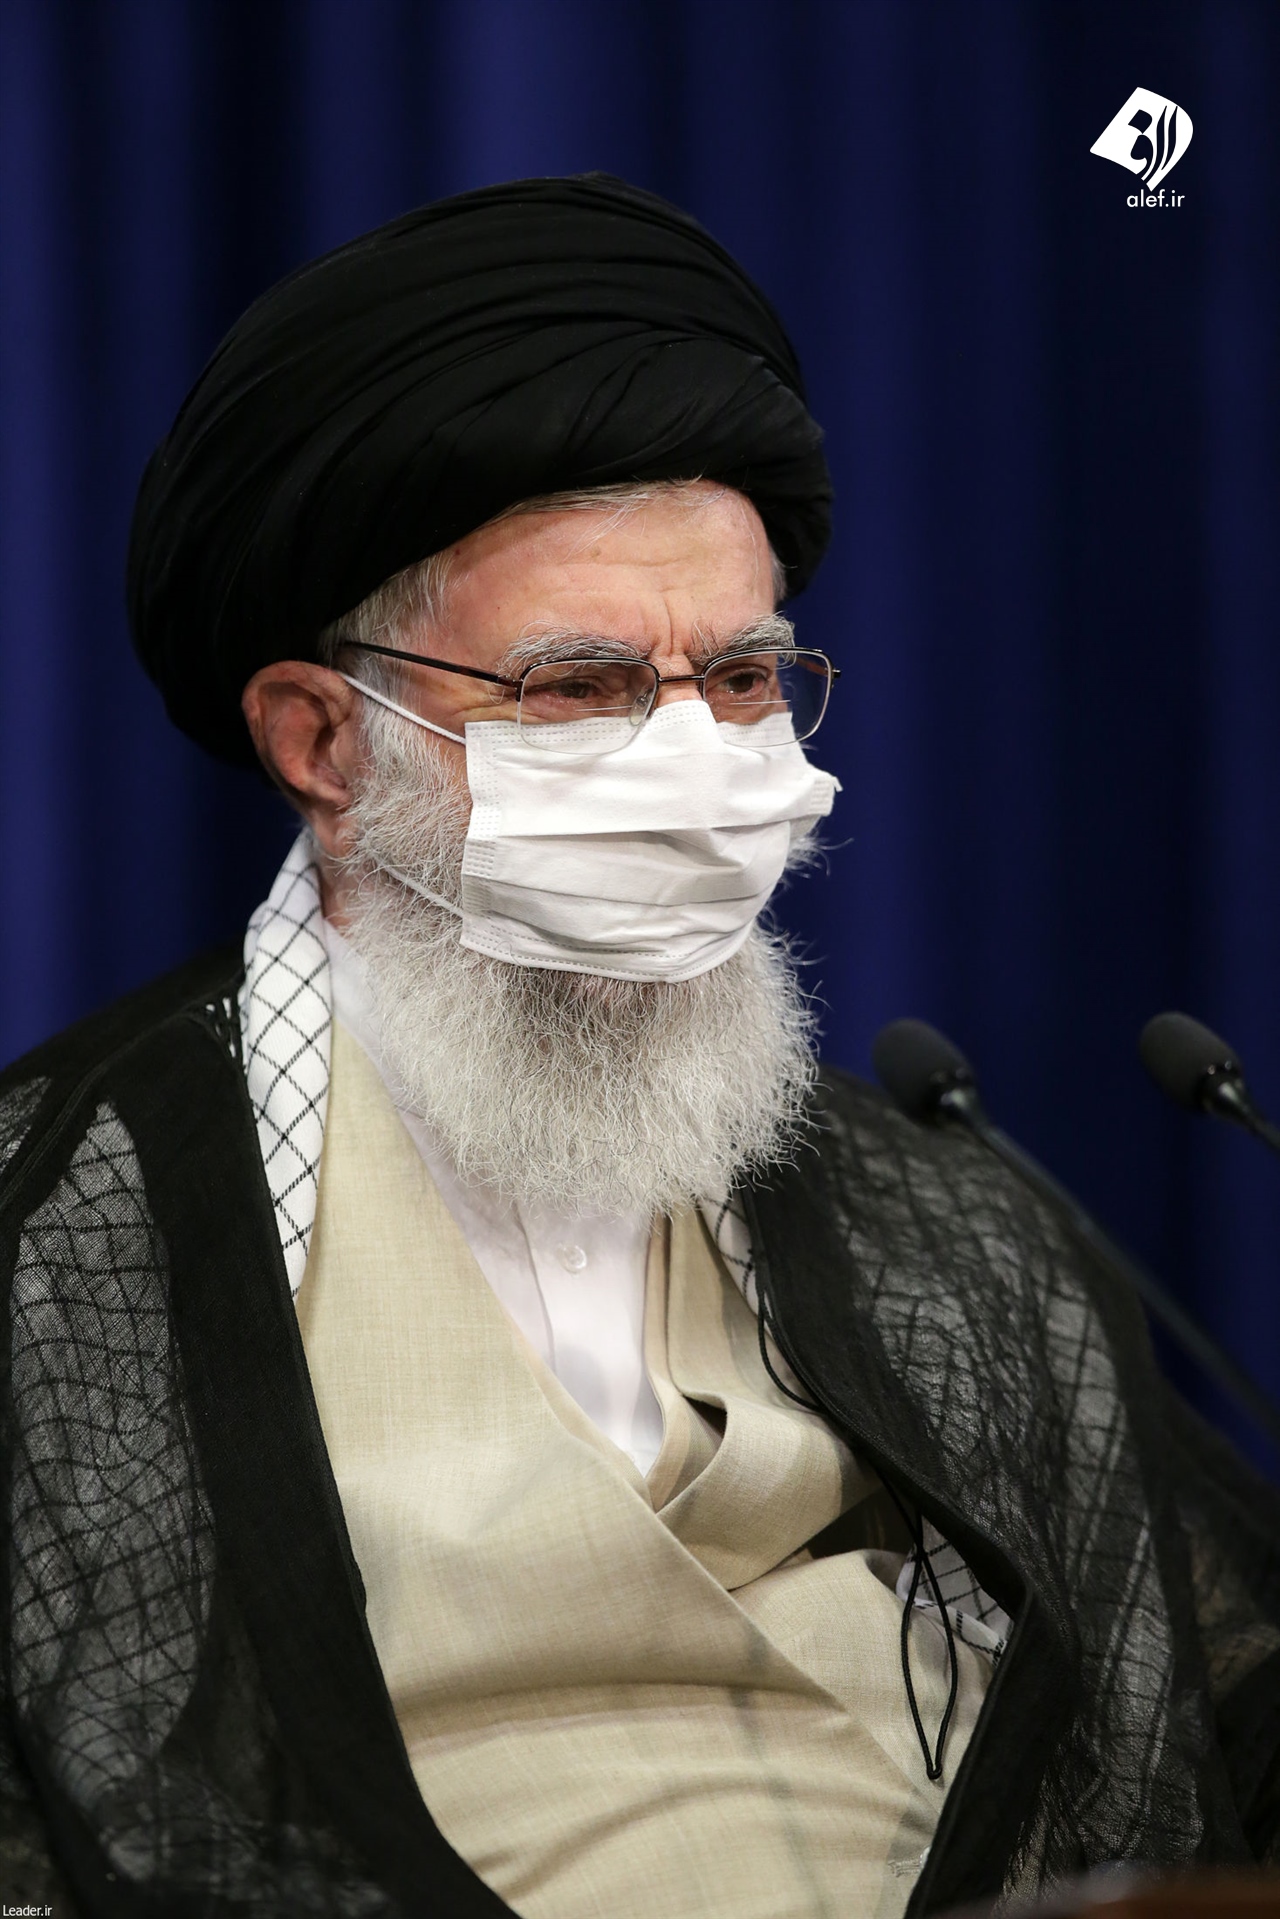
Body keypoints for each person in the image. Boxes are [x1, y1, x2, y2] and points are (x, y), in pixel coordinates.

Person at [0, 175, 1276, 1919]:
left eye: (741, 680)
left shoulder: (940, 1206)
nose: (694, 760)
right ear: (320, 743)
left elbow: (1220, 1663)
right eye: (581, 689)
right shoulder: (57, 1222)